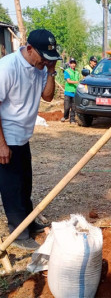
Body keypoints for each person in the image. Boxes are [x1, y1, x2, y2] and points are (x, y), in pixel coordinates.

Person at [0, 29, 60, 250]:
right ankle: (18, 232)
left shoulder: (40, 68)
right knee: (12, 186)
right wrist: (2, 145)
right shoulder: (8, 67)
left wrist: (51, 71)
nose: (45, 61)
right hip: (6, 136)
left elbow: (47, 96)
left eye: (49, 58)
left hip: (23, 136)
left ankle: (28, 221)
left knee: (25, 183)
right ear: (29, 48)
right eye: (43, 57)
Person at [61, 58, 80, 124]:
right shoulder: (67, 71)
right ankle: (65, 116)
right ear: (69, 64)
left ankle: (72, 119)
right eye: (71, 63)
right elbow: (68, 81)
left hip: (75, 92)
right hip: (68, 91)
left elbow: (79, 80)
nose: (73, 64)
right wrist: (77, 82)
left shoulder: (77, 72)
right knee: (67, 106)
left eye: (74, 63)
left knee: (73, 107)